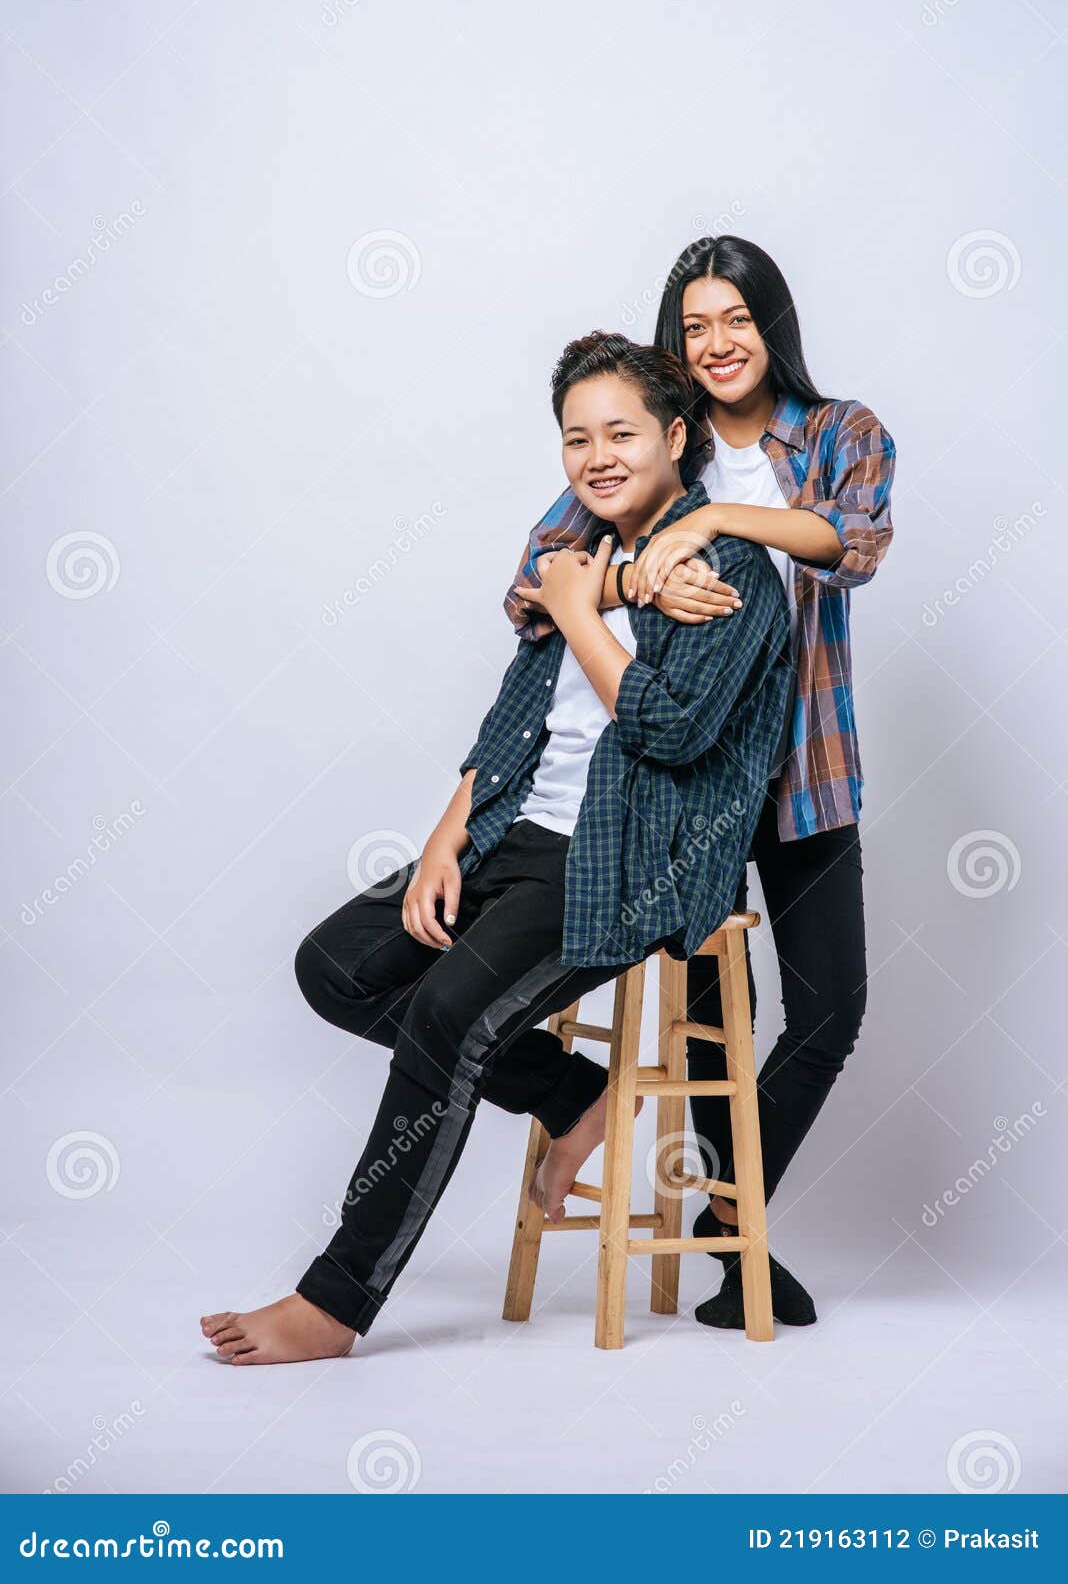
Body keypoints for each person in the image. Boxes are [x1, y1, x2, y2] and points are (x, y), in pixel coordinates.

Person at [199, 332, 791, 1364]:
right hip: (516, 833)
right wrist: (446, 838)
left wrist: (577, 607)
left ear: (677, 435)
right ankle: (570, 1095)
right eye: (576, 437)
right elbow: (517, 717)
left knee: (446, 1011)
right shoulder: (576, 554)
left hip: (629, 855)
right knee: (336, 965)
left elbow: (670, 730)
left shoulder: (729, 564)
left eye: (620, 432)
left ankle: (336, 1302)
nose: (596, 455)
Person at [499, 238, 896, 1329]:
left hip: (806, 772)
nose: (717, 343)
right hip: (685, 782)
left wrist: (715, 522)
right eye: (695, 325)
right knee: (719, 1022)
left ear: (773, 325)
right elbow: (538, 584)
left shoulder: (838, 434)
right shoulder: (651, 440)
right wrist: (641, 580)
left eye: (737, 319)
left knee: (831, 1011)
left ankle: (726, 1219)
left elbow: (852, 545)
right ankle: (736, 1254)